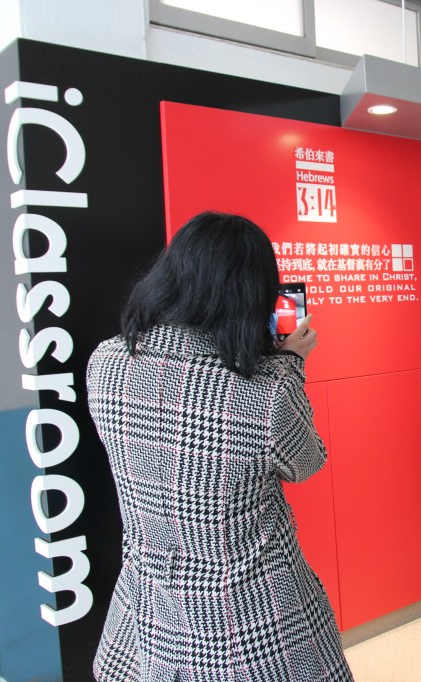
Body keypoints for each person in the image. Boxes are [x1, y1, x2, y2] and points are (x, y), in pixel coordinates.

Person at [86, 212, 354, 681]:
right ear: (249, 296)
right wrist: (289, 363)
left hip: (149, 616)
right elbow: (306, 462)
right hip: (253, 624)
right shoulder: (263, 393)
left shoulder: (106, 362)